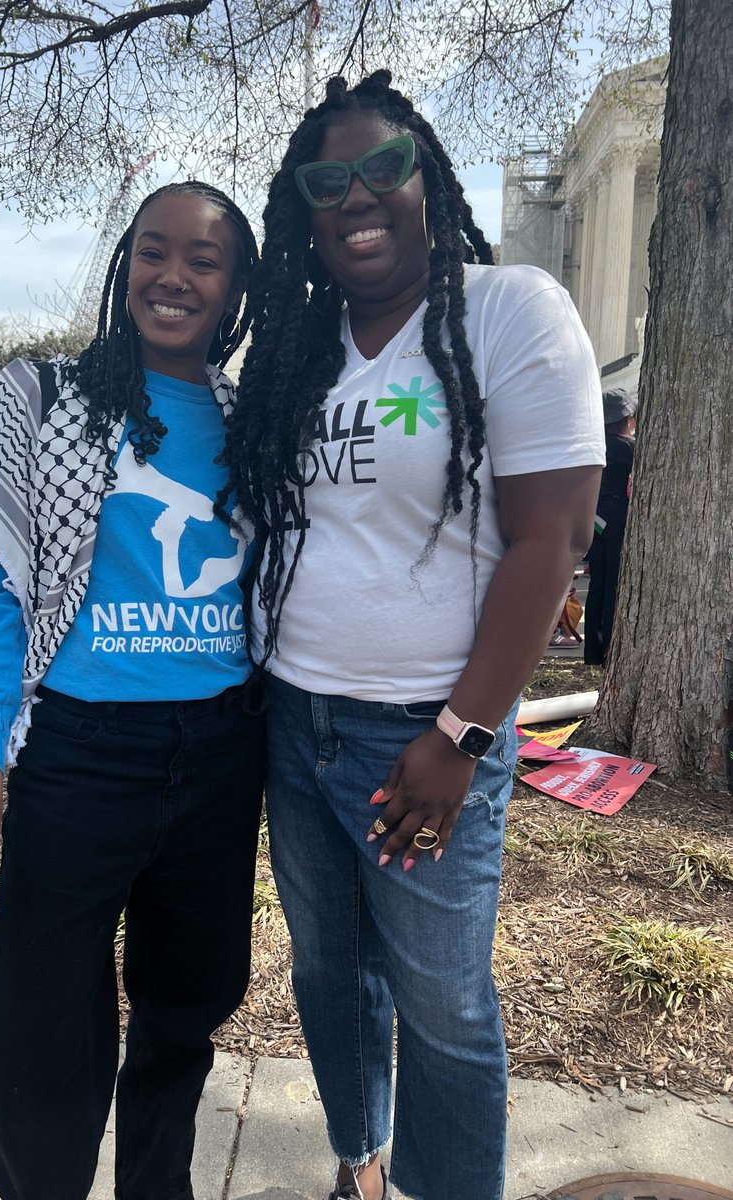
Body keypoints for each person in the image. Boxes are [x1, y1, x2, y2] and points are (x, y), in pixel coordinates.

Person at [220, 73, 606, 1200]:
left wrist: (462, 736)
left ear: (426, 177)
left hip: (425, 731)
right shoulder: (300, 348)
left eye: (384, 167)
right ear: (304, 208)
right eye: (326, 181)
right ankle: (361, 1161)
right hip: (298, 724)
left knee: (444, 1004)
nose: (358, 196)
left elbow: (553, 540)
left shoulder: (510, 308)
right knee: (332, 976)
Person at [0, 181, 264, 1200]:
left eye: (204, 261)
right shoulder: (43, 396)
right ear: (125, 267)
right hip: (77, 755)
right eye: (154, 251)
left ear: (236, 286)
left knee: (183, 1013)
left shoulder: (253, 422)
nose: (175, 276)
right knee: (38, 1026)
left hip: (219, 753)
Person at [583, 386, 637, 666]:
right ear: (626, 419)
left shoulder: (592, 447)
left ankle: (593, 652)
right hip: (618, 519)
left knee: (597, 586)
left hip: (593, 521)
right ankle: (610, 654)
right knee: (615, 585)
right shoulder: (628, 447)